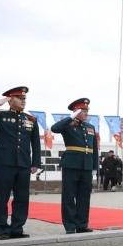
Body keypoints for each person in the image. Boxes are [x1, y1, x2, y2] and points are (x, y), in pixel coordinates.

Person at [0, 87, 42, 239]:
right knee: (2, 197)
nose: (23, 101)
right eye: (20, 98)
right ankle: (3, 230)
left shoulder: (31, 119)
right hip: (4, 162)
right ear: (10, 100)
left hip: (23, 163)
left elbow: (35, 144)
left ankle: (17, 228)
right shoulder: (0, 116)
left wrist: (35, 163)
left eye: (24, 99)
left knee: (22, 197)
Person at [50, 98, 98, 233]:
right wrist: (70, 117)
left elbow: (94, 148)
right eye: (83, 110)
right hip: (71, 164)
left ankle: (82, 224)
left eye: (87, 110)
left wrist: (95, 166)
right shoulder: (68, 124)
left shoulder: (90, 127)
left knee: (84, 196)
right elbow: (55, 128)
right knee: (69, 196)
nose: (86, 113)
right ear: (76, 111)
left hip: (86, 165)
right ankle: (70, 225)